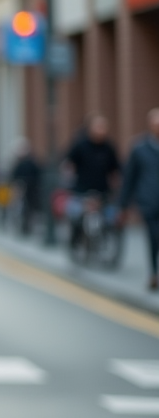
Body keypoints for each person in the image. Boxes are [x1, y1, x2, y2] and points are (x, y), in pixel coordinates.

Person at [64, 114, 120, 247]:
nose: (101, 130)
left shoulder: (109, 147)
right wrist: (68, 179)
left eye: (103, 127)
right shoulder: (80, 145)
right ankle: (75, 239)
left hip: (102, 189)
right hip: (82, 189)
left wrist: (116, 184)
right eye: (98, 126)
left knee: (109, 217)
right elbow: (69, 163)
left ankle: (105, 239)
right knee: (75, 216)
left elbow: (115, 168)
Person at [118, 108, 159, 291]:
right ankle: (153, 272)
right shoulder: (139, 148)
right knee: (153, 237)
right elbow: (130, 178)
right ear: (150, 125)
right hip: (149, 201)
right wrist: (123, 204)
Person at [9, 138, 43, 235]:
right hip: (22, 189)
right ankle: (24, 225)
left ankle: (27, 226)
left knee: (30, 210)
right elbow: (14, 176)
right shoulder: (18, 163)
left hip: (31, 190)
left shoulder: (31, 161)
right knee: (21, 209)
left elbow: (37, 174)